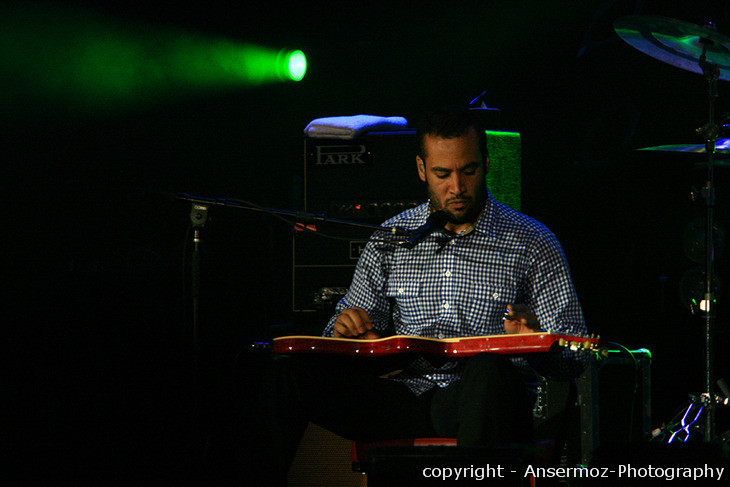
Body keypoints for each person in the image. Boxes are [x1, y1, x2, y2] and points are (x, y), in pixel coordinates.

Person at [248, 105, 588, 485]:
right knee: (289, 373)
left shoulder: (533, 242)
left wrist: (535, 340)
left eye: (468, 171)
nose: (457, 188)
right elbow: (348, 327)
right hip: (405, 394)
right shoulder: (392, 238)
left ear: (486, 163)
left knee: (489, 368)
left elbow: (575, 359)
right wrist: (344, 329)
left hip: (481, 400)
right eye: (443, 174)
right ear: (422, 169)